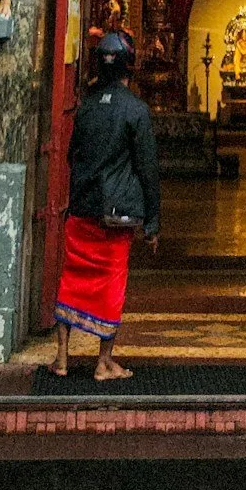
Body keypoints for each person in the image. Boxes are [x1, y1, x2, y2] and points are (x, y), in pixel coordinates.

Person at [52, 32, 159, 380]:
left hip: (82, 209)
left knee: (72, 278)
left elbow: (71, 156)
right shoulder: (136, 110)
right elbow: (146, 167)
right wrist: (152, 221)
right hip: (116, 215)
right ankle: (103, 361)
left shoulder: (85, 108)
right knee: (111, 285)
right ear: (131, 66)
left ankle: (62, 359)